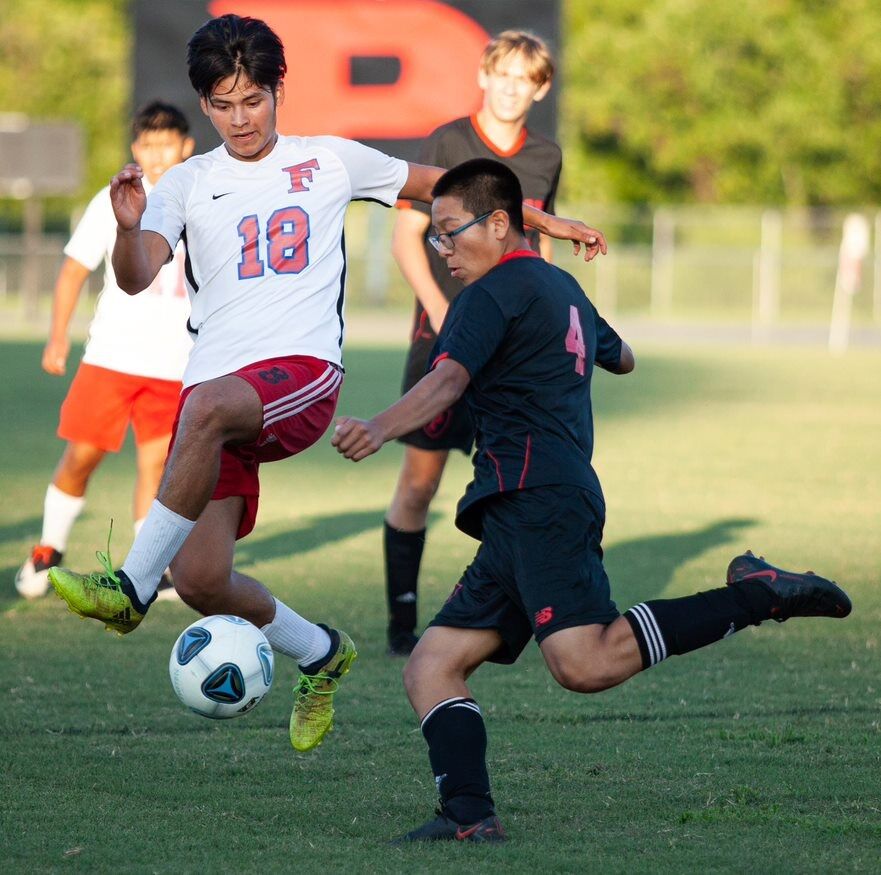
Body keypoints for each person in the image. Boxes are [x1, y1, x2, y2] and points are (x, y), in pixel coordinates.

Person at [47, 14, 607, 754]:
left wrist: (542, 218)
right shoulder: (185, 181)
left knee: (205, 415)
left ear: (279, 89)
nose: (240, 118)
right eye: (223, 104)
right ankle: (320, 651)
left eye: (254, 99)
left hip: (299, 378)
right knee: (207, 578)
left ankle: (129, 590)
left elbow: (446, 185)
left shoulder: (331, 161)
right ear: (204, 105)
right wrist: (125, 228)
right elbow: (135, 273)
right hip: (217, 401)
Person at [332, 158, 853, 842]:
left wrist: (376, 425)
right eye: (434, 236)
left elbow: (447, 380)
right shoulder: (560, 288)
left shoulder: (485, 296)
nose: (442, 249)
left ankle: (755, 594)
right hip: (523, 503)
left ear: (498, 224)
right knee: (432, 665)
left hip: (537, 495)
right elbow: (623, 355)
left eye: (450, 232)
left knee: (585, 661)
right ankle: (468, 815)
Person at [384, 30, 561, 656]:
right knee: (419, 484)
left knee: (515, 480)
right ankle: (402, 626)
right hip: (445, 335)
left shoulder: (546, 156)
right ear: (484, 76)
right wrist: (441, 315)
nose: (512, 87)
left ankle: (512, 614)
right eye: (503, 74)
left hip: (513, 347)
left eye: (526, 79)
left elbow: (529, 248)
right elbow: (408, 237)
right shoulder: (449, 142)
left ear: (540, 88)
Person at [15, 102, 194, 600]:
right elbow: (75, 268)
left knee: (156, 467)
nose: (157, 154)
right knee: (82, 456)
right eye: (148, 144)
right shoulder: (114, 197)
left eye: (167, 143)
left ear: (186, 146)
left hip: (176, 360)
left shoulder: (200, 196)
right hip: (113, 356)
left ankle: (147, 569)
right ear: (136, 148)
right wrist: (57, 335)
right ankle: (49, 547)